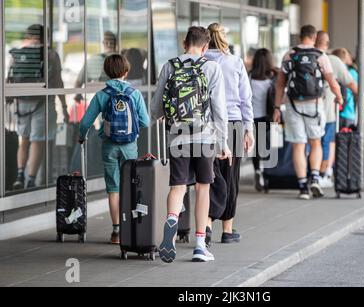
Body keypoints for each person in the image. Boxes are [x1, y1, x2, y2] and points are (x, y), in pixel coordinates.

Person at [151, 26, 231, 263]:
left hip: (177, 137)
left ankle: (172, 225)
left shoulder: (169, 66)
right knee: (203, 188)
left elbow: (156, 107)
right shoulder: (211, 68)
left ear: (184, 43)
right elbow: (220, 110)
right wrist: (223, 143)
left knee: (178, 187)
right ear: (206, 47)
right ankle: (199, 245)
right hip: (204, 137)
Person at [78, 54, 150, 245]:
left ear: (107, 73)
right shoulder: (134, 94)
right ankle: (132, 226)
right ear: (126, 72)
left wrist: (81, 136)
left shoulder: (102, 95)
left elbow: (86, 121)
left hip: (109, 145)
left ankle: (116, 231)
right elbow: (145, 121)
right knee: (131, 185)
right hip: (129, 147)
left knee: (113, 188)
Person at [273, 25, 343, 200]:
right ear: (313, 38)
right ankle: (315, 178)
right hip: (315, 104)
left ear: (300, 37)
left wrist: (276, 108)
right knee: (316, 142)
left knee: (298, 145)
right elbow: (332, 81)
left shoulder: (289, 55)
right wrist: (339, 97)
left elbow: (280, 84)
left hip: (293, 105)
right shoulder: (320, 56)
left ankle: (303, 187)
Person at [204, 23, 254, 247]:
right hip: (233, 124)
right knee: (230, 176)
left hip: (206, 124)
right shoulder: (235, 62)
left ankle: (205, 226)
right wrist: (249, 129)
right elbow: (246, 99)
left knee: (207, 175)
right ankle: (227, 230)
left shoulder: (201, 61)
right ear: (224, 38)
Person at [8, 24, 69, 190]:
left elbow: (10, 78)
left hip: (21, 103)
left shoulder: (19, 53)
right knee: (38, 141)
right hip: (42, 103)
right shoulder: (51, 54)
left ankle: (20, 174)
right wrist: (64, 106)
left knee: (24, 140)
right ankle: (31, 179)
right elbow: (58, 82)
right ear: (46, 37)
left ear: (29, 36)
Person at [315, 32, 358, 188]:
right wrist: (361, 102)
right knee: (326, 143)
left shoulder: (300, 57)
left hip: (304, 111)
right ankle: (322, 174)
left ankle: (309, 175)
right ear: (327, 43)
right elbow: (352, 86)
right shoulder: (333, 61)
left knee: (309, 144)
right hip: (327, 113)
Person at [249, 48, 278, 191]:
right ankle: (268, 174)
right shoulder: (273, 78)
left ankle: (257, 170)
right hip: (270, 117)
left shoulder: (249, 77)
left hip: (253, 117)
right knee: (270, 146)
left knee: (256, 149)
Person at [332, 48, 364, 129]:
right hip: (349, 112)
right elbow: (360, 92)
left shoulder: (331, 71)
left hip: (334, 112)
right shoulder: (352, 73)